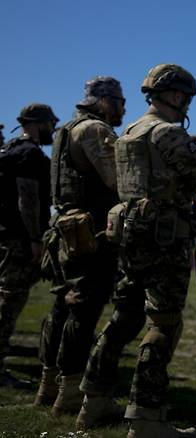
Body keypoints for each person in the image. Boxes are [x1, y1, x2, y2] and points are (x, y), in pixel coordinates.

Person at [75, 64, 196, 437]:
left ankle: (93, 401)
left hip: (131, 236)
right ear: (173, 95)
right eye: (185, 97)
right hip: (165, 241)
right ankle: (147, 418)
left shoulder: (130, 131)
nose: (185, 104)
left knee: (124, 318)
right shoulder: (167, 133)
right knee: (163, 325)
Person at [34, 77, 125, 417]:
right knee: (83, 311)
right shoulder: (94, 130)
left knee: (62, 307)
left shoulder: (65, 130)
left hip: (65, 229)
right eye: (119, 100)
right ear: (104, 100)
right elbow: (118, 180)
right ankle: (70, 392)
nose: (123, 108)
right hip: (90, 233)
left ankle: (49, 386)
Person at [0, 104, 57, 387]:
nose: (53, 128)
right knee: (9, 302)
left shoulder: (10, 149)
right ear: (38, 124)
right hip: (19, 239)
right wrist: (35, 238)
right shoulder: (30, 155)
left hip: (5, 235)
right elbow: (28, 199)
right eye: (50, 123)